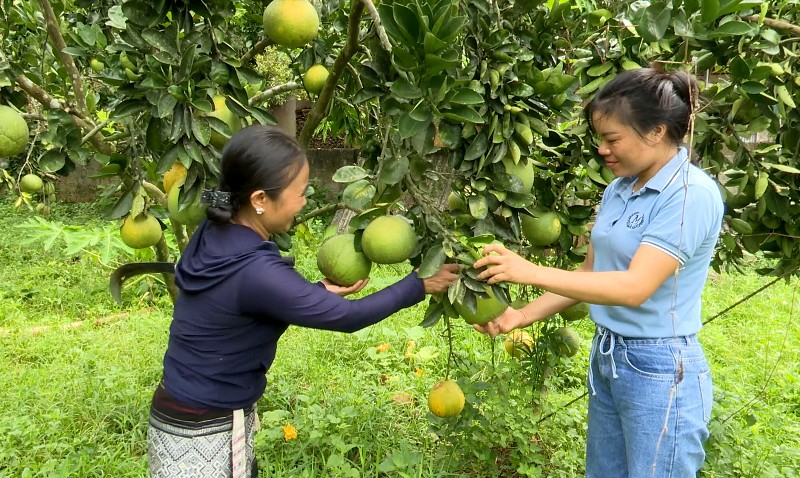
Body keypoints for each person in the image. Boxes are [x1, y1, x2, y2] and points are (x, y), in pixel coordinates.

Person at [146, 125, 459, 478]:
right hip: (209, 424)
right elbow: (348, 317)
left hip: (175, 411)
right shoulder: (256, 271)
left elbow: (238, 299)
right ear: (260, 200)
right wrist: (419, 285)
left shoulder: (217, 224)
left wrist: (311, 294)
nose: (305, 201)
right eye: (299, 194)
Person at [472, 67, 724, 477]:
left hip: (658, 365)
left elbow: (633, 288)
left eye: (612, 139)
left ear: (657, 131)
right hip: (609, 355)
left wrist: (528, 270)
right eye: (599, 140)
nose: (603, 151)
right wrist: (520, 315)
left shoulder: (689, 195)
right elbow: (591, 274)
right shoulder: (618, 189)